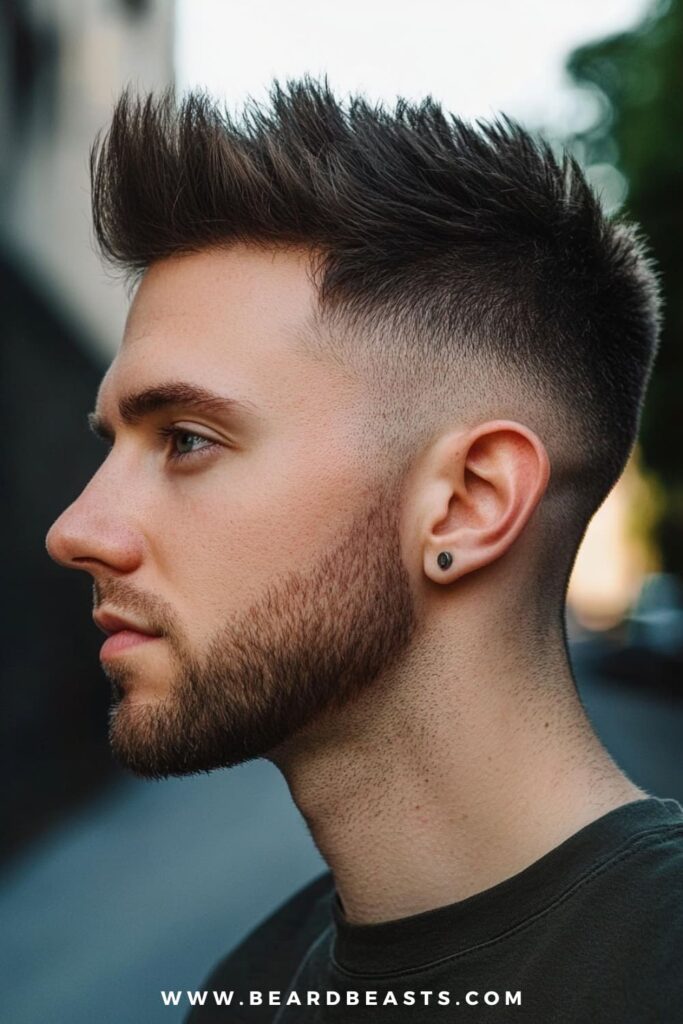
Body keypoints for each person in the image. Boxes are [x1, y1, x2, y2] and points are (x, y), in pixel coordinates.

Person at [45, 79, 683, 1021]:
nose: (75, 532)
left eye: (185, 439)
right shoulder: (243, 990)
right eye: (113, 447)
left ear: (467, 503)